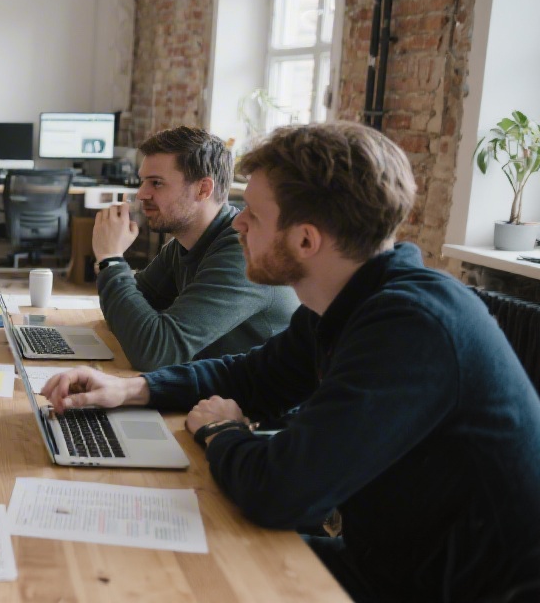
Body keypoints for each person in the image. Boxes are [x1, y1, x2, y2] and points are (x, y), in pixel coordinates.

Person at [42, 123, 540, 602]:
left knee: (167, 575)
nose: (236, 221)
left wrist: (220, 433)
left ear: (306, 240)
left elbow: (282, 491)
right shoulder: (350, 301)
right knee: (136, 556)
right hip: (396, 565)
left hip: (450, 589)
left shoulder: (411, 326)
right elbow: (252, 375)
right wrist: (130, 390)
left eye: (253, 216)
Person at [92, 126, 297, 370]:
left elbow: (154, 352)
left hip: (252, 405)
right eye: (143, 181)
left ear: (203, 189)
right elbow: (125, 315)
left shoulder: (243, 251)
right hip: (206, 393)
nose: (141, 194)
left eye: (156, 183)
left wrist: (112, 260)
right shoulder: (184, 244)